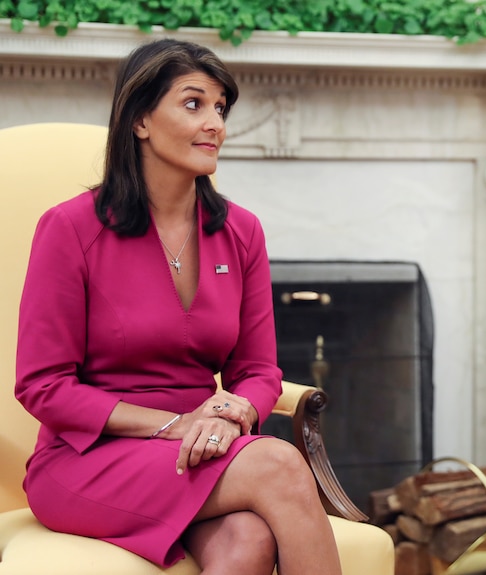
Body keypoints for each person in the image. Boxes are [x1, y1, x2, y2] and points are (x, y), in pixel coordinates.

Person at [15, 39, 342, 575]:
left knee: (248, 542)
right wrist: (175, 424)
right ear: (140, 120)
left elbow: (257, 371)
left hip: (201, 448)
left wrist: (235, 412)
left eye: (220, 107)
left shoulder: (241, 230)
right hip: (89, 460)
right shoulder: (70, 228)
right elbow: (42, 385)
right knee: (280, 463)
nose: (215, 122)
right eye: (193, 104)